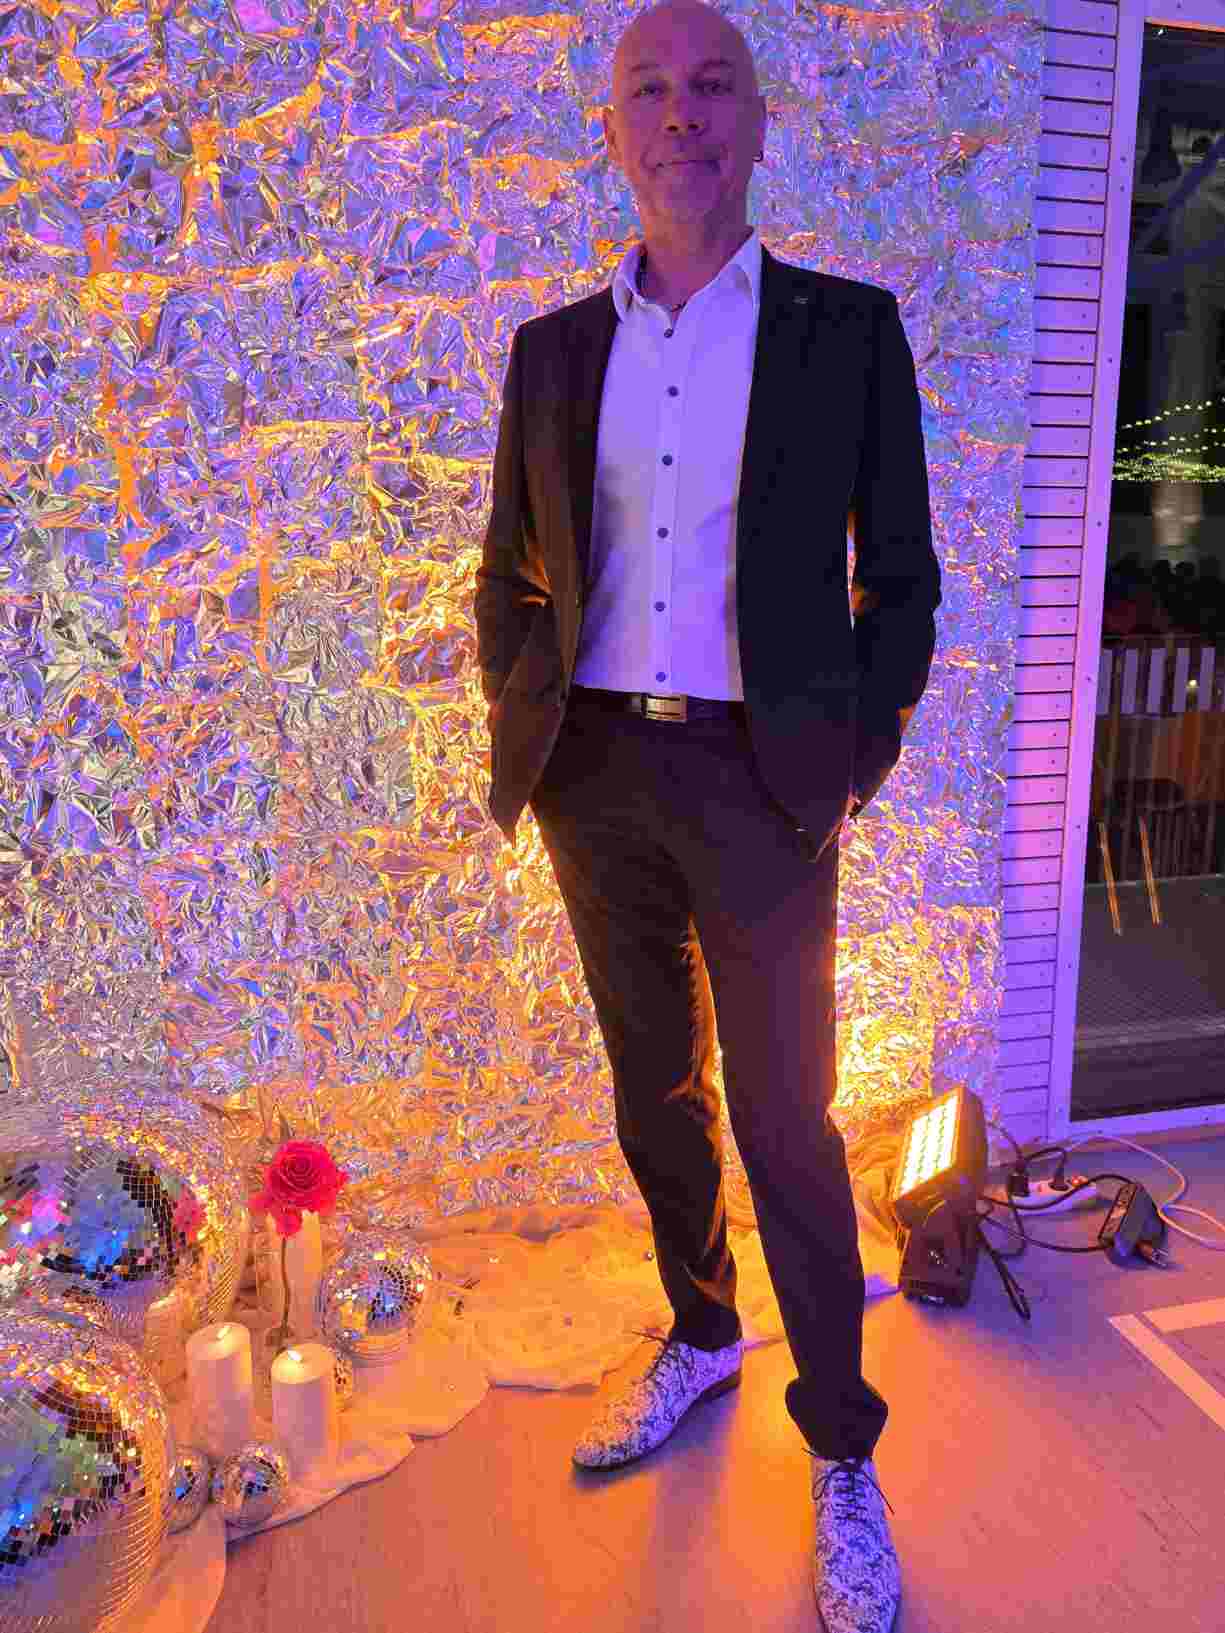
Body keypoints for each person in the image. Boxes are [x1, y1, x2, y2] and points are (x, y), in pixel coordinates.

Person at [474, 4, 940, 1629]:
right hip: (594, 772)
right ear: (613, 127)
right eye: (649, 90)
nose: (680, 115)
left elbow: (902, 579)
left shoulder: (843, 332)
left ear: (755, 119)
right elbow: (506, 571)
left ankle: (841, 1445)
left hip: (765, 781)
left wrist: (847, 764)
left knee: (787, 1120)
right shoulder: (550, 351)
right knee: (652, 1088)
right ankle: (696, 1329)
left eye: (711, 85)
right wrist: (529, 722)